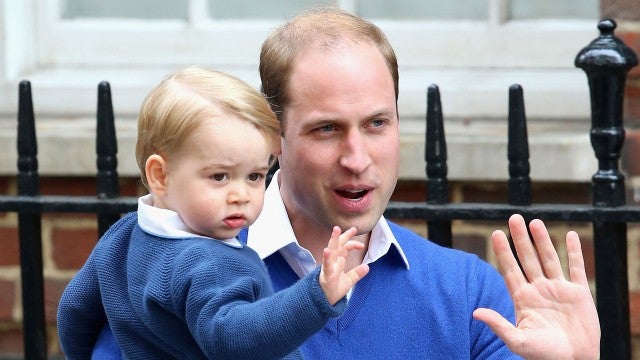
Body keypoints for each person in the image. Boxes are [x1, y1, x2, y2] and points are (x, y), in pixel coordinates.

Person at [91, 6, 601, 359]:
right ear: (276, 139)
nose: (357, 159)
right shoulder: (169, 269)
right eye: (326, 129)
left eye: (377, 123)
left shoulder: (470, 292)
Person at [56, 66, 369, 359]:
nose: (240, 196)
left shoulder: (123, 236)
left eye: (255, 176)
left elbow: (74, 310)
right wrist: (316, 295)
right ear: (160, 176)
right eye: (219, 176)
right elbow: (232, 339)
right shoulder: (211, 263)